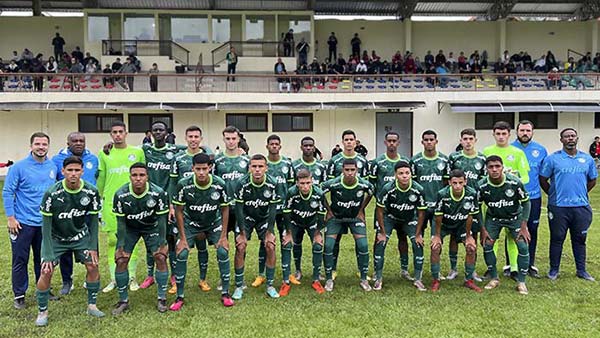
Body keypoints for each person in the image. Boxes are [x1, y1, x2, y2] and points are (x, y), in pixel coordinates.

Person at [35, 156, 104, 326]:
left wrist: (93, 246)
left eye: (77, 170)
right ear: (63, 171)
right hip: (56, 238)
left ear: (82, 171)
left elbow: (94, 221)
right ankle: (42, 311)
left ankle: (92, 305)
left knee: (93, 265)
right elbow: (45, 225)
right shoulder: (52, 193)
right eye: (70, 170)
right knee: (46, 270)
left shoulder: (91, 192)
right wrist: (48, 253)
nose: (73, 174)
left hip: (80, 237)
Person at [171, 153, 234, 309]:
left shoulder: (219, 184)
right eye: (197, 169)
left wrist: (224, 236)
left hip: (214, 223)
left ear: (210, 168)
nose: (201, 172)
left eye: (204, 169)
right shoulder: (183, 184)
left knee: (222, 251)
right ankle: (179, 296)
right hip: (191, 223)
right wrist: (183, 238)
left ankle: (225, 293)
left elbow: (225, 209)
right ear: (192, 168)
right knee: (182, 252)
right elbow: (178, 210)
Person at [3, 132, 56, 310]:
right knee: (20, 259)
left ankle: (43, 289)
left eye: (44, 144)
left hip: (45, 223)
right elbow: (8, 192)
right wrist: (11, 218)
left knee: (43, 259)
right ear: (31, 146)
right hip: (22, 222)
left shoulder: (53, 166)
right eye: (37, 144)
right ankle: (19, 295)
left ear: (48, 146)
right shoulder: (18, 167)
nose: (41, 147)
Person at [111, 163, 170, 315]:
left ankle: (162, 298)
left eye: (141, 175)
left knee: (160, 257)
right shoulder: (120, 194)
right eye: (134, 175)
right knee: (122, 260)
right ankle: (123, 300)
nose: (138, 178)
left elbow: (162, 220)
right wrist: (120, 245)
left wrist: (163, 242)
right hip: (130, 229)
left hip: (152, 227)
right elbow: (121, 223)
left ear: (147, 177)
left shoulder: (158, 193)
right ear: (130, 176)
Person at [540, 128, 597, 281]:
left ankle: (581, 270)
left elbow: (592, 180)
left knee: (580, 239)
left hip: (581, 207)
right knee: (557, 238)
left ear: (577, 138)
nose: (570, 139)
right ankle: (553, 270)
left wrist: (582, 193)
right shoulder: (552, 159)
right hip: (559, 207)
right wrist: (553, 194)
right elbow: (543, 179)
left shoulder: (587, 159)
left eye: (572, 136)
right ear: (561, 140)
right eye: (566, 136)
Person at [97, 121, 145, 293]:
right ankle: (114, 278)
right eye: (114, 132)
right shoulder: (104, 153)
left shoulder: (137, 152)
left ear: (126, 133)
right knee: (112, 241)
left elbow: (144, 177)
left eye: (120, 132)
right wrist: (99, 199)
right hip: (110, 203)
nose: (117, 135)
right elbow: (101, 179)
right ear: (110, 135)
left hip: (133, 204)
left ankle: (131, 276)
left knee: (131, 240)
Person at [51, 132, 99, 294]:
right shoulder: (57, 160)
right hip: (66, 210)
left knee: (91, 244)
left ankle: (90, 278)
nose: (78, 143)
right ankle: (67, 281)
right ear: (68, 142)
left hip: (87, 210)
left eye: (81, 141)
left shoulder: (93, 159)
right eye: (74, 141)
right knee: (66, 246)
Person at [168, 126, 212, 293]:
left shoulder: (207, 157)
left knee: (201, 243)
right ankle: (175, 281)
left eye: (196, 136)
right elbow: (173, 183)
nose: (193, 139)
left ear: (201, 138)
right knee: (178, 244)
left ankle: (203, 279)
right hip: (182, 210)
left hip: (202, 209)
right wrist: (172, 205)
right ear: (185, 138)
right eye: (190, 136)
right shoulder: (178, 159)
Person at [483, 121, 529, 280]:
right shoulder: (487, 151)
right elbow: (484, 177)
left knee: (512, 237)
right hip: (493, 201)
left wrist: (513, 176)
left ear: (509, 135)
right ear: (493, 134)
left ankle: (514, 268)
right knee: (491, 236)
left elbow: (526, 177)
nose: (501, 137)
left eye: (504, 134)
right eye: (498, 134)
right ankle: (491, 269)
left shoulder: (517, 152)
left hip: (512, 201)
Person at [478, 156, 531, 295]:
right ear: (486, 169)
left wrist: (524, 226)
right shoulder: (482, 185)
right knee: (487, 244)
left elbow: (526, 202)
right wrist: (483, 229)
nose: (494, 169)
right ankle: (494, 278)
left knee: (523, 245)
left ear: (502, 167)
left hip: (515, 218)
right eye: (491, 167)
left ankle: (521, 281)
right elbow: (477, 207)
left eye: (497, 166)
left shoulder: (514, 182)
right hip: (493, 218)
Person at [231, 154, 281, 300]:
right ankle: (239, 286)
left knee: (270, 245)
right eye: (254, 166)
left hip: (264, 218)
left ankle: (270, 285)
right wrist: (241, 232)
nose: (257, 170)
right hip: (246, 218)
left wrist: (270, 231)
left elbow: (273, 209)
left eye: (260, 166)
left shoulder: (272, 183)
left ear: (266, 168)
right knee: (240, 246)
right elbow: (239, 209)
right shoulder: (242, 183)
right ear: (249, 168)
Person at [373, 161, 427, 291]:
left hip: (409, 218)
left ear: (411, 174)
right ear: (395, 175)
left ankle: (417, 278)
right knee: (380, 242)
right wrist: (382, 231)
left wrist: (418, 234)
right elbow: (379, 210)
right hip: (389, 217)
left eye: (407, 173)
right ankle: (378, 277)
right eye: (401, 173)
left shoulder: (418, 189)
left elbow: (421, 213)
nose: (404, 176)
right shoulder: (387, 188)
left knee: (417, 243)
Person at [321, 159, 374, 291]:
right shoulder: (334, 183)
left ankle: (363, 279)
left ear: (357, 170)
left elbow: (371, 192)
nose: (350, 173)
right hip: (336, 218)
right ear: (342, 170)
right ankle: (328, 279)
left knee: (363, 245)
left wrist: (361, 209)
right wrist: (328, 210)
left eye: (352, 170)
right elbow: (319, 192)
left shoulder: (363, 184)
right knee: (328, 245)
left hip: (354, 218)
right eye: (347, 170)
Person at [369, 132, 412, 281]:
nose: (392, 143)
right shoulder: (377, 162)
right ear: (385, 143)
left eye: (394, 141)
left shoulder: (406, 161)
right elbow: (372, 184)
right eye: (389, 141)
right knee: (380, 239)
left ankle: (404, 269)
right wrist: (381, 200)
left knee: (403, 238)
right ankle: (376, 270)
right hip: (384, 210)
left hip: (403, 208)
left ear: (398, 142)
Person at [430, 169, 481, 292]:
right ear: (449, 183)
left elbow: (470, 215)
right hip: (443, 224)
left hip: (461, 224)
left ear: (465, 182)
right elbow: (438, 216)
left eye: (460, 182)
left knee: (471, 247)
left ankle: (468, 280)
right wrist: (437, 235)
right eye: (454, 183)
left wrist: (468, 236)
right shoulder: (442, 194)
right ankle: (436, 280)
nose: (457, 186)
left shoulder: (471, 193)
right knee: (435, 247)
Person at [326, 130, 369, 278]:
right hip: (338, 209)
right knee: (334, 240)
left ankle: (361, 270)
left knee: (360, 242)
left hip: (355, 209)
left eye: (351, 139)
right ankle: (332, 270)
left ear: (355, 141)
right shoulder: (335, 161)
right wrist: (329, 209)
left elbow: (366, 186)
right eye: (346, 139)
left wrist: (361, 209)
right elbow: (329, 185)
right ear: (343, 141)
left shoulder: (363, 161)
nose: (349, 142)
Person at [448, 128, 486, 282]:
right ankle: (453, 268)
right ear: (460, 141)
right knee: (453, 235)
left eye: (471, 138)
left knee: (473, 236)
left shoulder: (482, 159)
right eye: (465, 138)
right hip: (456, 203)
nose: (468, 141)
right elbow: (448, 179)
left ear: (475, 140)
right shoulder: (454, 158)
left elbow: (484, 181)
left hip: (474, 203)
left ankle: (472, 270)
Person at [281, 169, 327, 295]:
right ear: (297, 183)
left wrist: (318, 234)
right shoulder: (291, 193)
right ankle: (287, 280)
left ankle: (316, 279)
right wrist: (289, 233)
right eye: (302, 183)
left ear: (312, 181)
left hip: (312, 223)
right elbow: (286, 213)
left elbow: (321, 214)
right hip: (295, 223)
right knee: (287, 244)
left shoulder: (318, 193)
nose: (305, 186)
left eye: (308, 183)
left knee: (318, 245)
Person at [258, 135, 295, 293]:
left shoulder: (287, 163)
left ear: (280, 146)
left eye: (276, 144)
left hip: (285, 210)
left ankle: (287, 275)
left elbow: (293, 187)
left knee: (286, 241)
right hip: (267, 211)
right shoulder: (262, 165)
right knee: (265, 242)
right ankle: (261, 274)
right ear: (267, 146)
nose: (274, 146)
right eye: (271, 144)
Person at [511, 121, 547, 278]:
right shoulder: (510, 148)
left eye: (527, 130)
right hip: (513, 198)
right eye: (522, 130)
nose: (524, 133)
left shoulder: (540, 150)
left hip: (533, 197)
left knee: (532, 230)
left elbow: (544, 175)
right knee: (511, 231)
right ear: (516, 131)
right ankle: (510, 265)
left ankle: (530, 264)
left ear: (533, 132)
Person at [410, 130, 450, 236]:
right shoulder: (415, 161)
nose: (429, 142)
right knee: (417, 236)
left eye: (431, 140)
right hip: (421, 205)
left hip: (438, 205)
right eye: (426, 140)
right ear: (422, 142)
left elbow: (447, 183)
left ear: (436, 141)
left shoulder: (445, 160)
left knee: (436, 238)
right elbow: (413, 183)